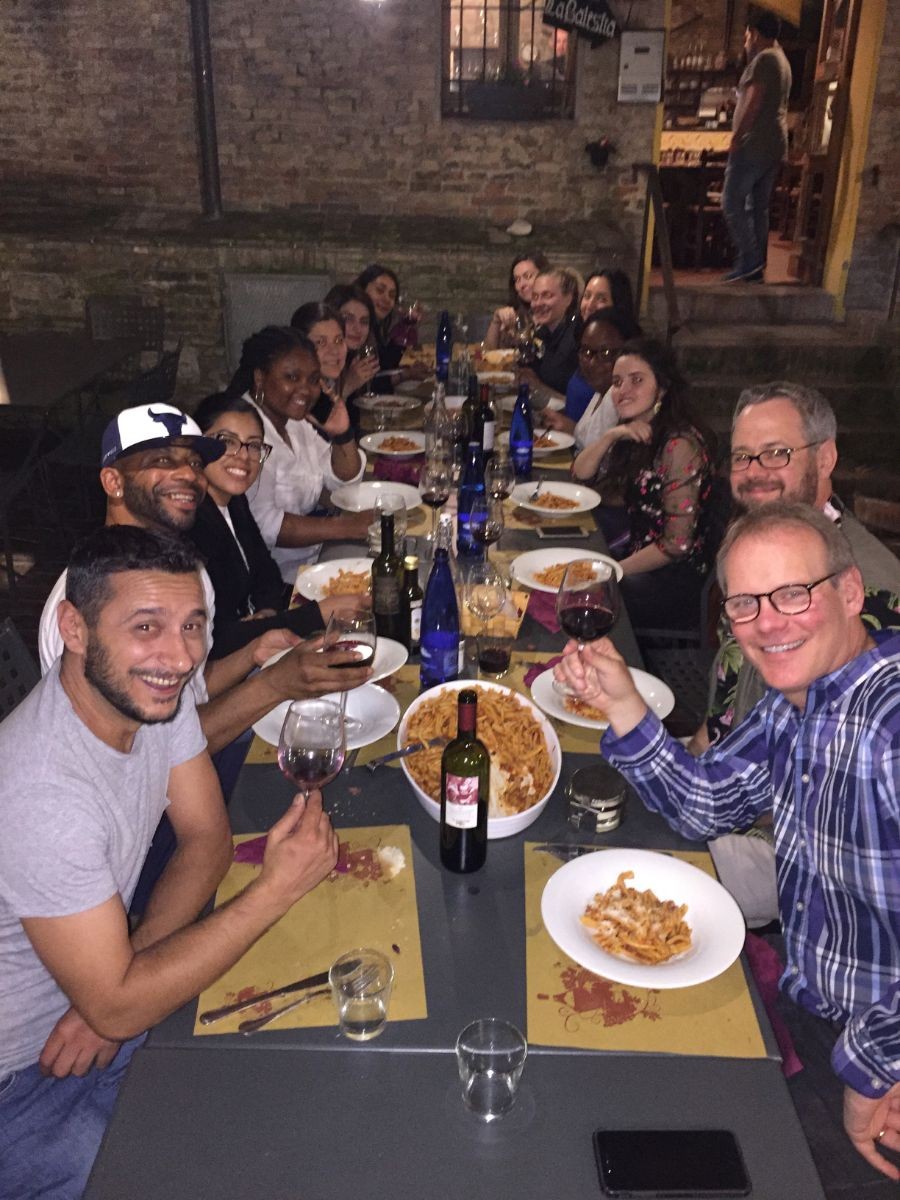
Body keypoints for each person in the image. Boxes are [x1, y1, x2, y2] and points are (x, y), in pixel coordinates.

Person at [555, 502, 900, 1184]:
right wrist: (623, 703)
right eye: (745, 604)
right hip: (809, 1010)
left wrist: (878, 1059)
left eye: (792, 593)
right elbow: (705, 803)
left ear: (850, 591)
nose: (768, 622)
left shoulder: (888, 723)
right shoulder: (793, 699)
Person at [0, 526, 339, 1200]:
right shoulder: (40, 793)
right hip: (22, 1080)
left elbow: (207, 841)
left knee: (300, 1075)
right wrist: (276, 889)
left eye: (191, 626)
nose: (179, 656)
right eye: (146, 626)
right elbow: (121, 1003)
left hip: (101, 996)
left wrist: (128, 977)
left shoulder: (155, 696)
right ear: (73, 627)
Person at [37, 402, 371, 757]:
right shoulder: (88, 602)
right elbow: (156, 760)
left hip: (200, 740)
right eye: (163, 461)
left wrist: (252, 654)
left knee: (349, 708)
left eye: (194, 462)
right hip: (147, 801)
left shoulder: (186, 572)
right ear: (113, 482)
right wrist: (275, 684)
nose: (188, 475)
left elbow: (193, 688)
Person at [694, 382, 900, 928]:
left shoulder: (875, 602)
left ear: (826, 456)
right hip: (728, 785)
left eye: (777, 453)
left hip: (786, 846)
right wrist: (696, 750)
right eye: (742, 456)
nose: (755, 470)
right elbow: (727, 711)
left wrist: (702, 805)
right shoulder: (765, 547)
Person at [188, 392, 368, 660]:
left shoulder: (234, 503)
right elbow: (216, 639)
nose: (243, 456)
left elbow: (267, 573)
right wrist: (317, 614)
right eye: (226, 442)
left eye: (254, 445)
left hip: (260, 639)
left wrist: (269, 610)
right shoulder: (193, 525)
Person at [572, 338, 716, 629]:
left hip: (671, 581)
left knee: (580, 596)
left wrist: (612, 573)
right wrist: (610, 436)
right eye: (617, 382)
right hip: (638, 558)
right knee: (573, 566)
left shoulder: (678, 445)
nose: (623, 390)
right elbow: (580, 477)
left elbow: (677, 545)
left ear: (661, 387)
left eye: (636, 380)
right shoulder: (639, 431)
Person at [230, 325, 372, 584]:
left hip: (315, 560)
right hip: (276, 581)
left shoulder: (294, 422)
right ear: (260, 378)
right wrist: (346, 527)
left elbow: (342, 481)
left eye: (312, 379)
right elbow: (263, 524)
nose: (305, 390)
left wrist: (342, 434)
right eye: (292, 378)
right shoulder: (245, 433)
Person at [721, 10, 791, 283]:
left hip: (754, 145)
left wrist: (737, 137)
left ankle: (749, 260)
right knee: (757, 207)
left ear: (757, 34)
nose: (745, 39)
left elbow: (754, 101)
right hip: (774, 144)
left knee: (731, 202)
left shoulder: (764, 60)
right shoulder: (782, 60)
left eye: (747, 34)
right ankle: (756, 265)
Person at [542, 305, 639, 436]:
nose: (592, 362)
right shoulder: (600, 392)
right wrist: (569, 428)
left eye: (605, 353)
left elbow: (606, 452)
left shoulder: (622, 398)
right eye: (586, 352)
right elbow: (590, 440)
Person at [353, 263, 425, 392]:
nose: (386, 299)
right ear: (362, 290)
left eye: (392, 295)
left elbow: (385, 364)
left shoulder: (376, 326)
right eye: (380, 290)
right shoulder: (354, 331)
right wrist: (405, 375)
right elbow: (368, 386)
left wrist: (407, 326)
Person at [517, 266, 582, 403]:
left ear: (568, 299)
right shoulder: (541, 333)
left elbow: (581, 407)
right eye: (535, 297)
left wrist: (538, 386)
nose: (538, 303)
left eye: (547, 296)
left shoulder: (578, 336)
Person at [482, 251, 550, 351]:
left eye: (528, 276)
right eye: (517, 279)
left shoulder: (555, 314)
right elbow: (488, 355)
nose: (522, 284)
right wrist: (496, 320)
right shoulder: (516, 315)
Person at [322, 283, 380, 399]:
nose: (357, 329)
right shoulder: (319, 359)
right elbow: (318, 415)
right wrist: (349, 385)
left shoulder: (352, 356)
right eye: (348, 319)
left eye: (364, 321)